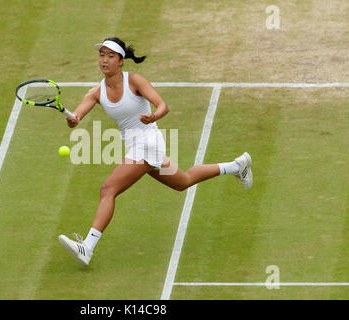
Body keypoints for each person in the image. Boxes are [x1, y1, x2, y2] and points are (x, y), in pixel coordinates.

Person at [58, 37, 253, 266]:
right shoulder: (95, 93)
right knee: (183, 181)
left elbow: (163, 106)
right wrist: (74, 120)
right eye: (102, 55)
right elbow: (78, 115)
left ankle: (87, 247)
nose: (104, 60)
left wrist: (154, 116)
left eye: (110, 56)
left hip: (148, 143)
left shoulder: (135, 81)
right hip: (136, 146)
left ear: (121, 61)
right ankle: (237, 166)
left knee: (108, 189)